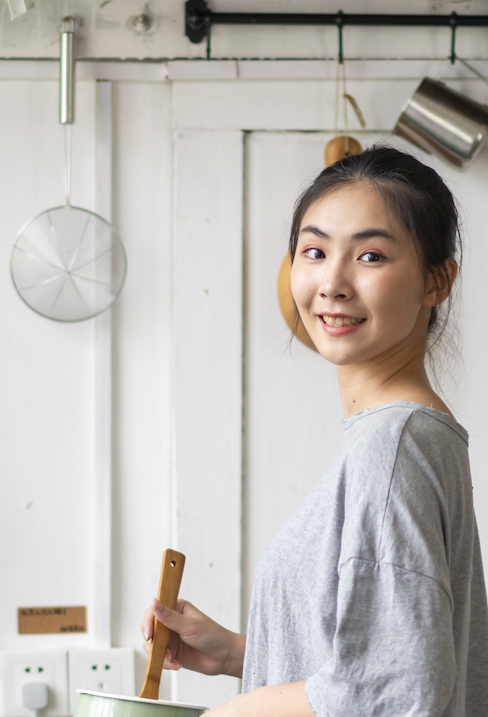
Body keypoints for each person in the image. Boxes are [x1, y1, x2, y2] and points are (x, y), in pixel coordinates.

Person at [141, 146, 488, 717]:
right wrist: (234, 653)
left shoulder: (392, 448)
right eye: (314, 251)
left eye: (371, 256)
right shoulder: (416, 436)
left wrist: (229, 713)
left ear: (437, 281)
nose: (332, 282)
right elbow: (382, 658)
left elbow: (396, 690)